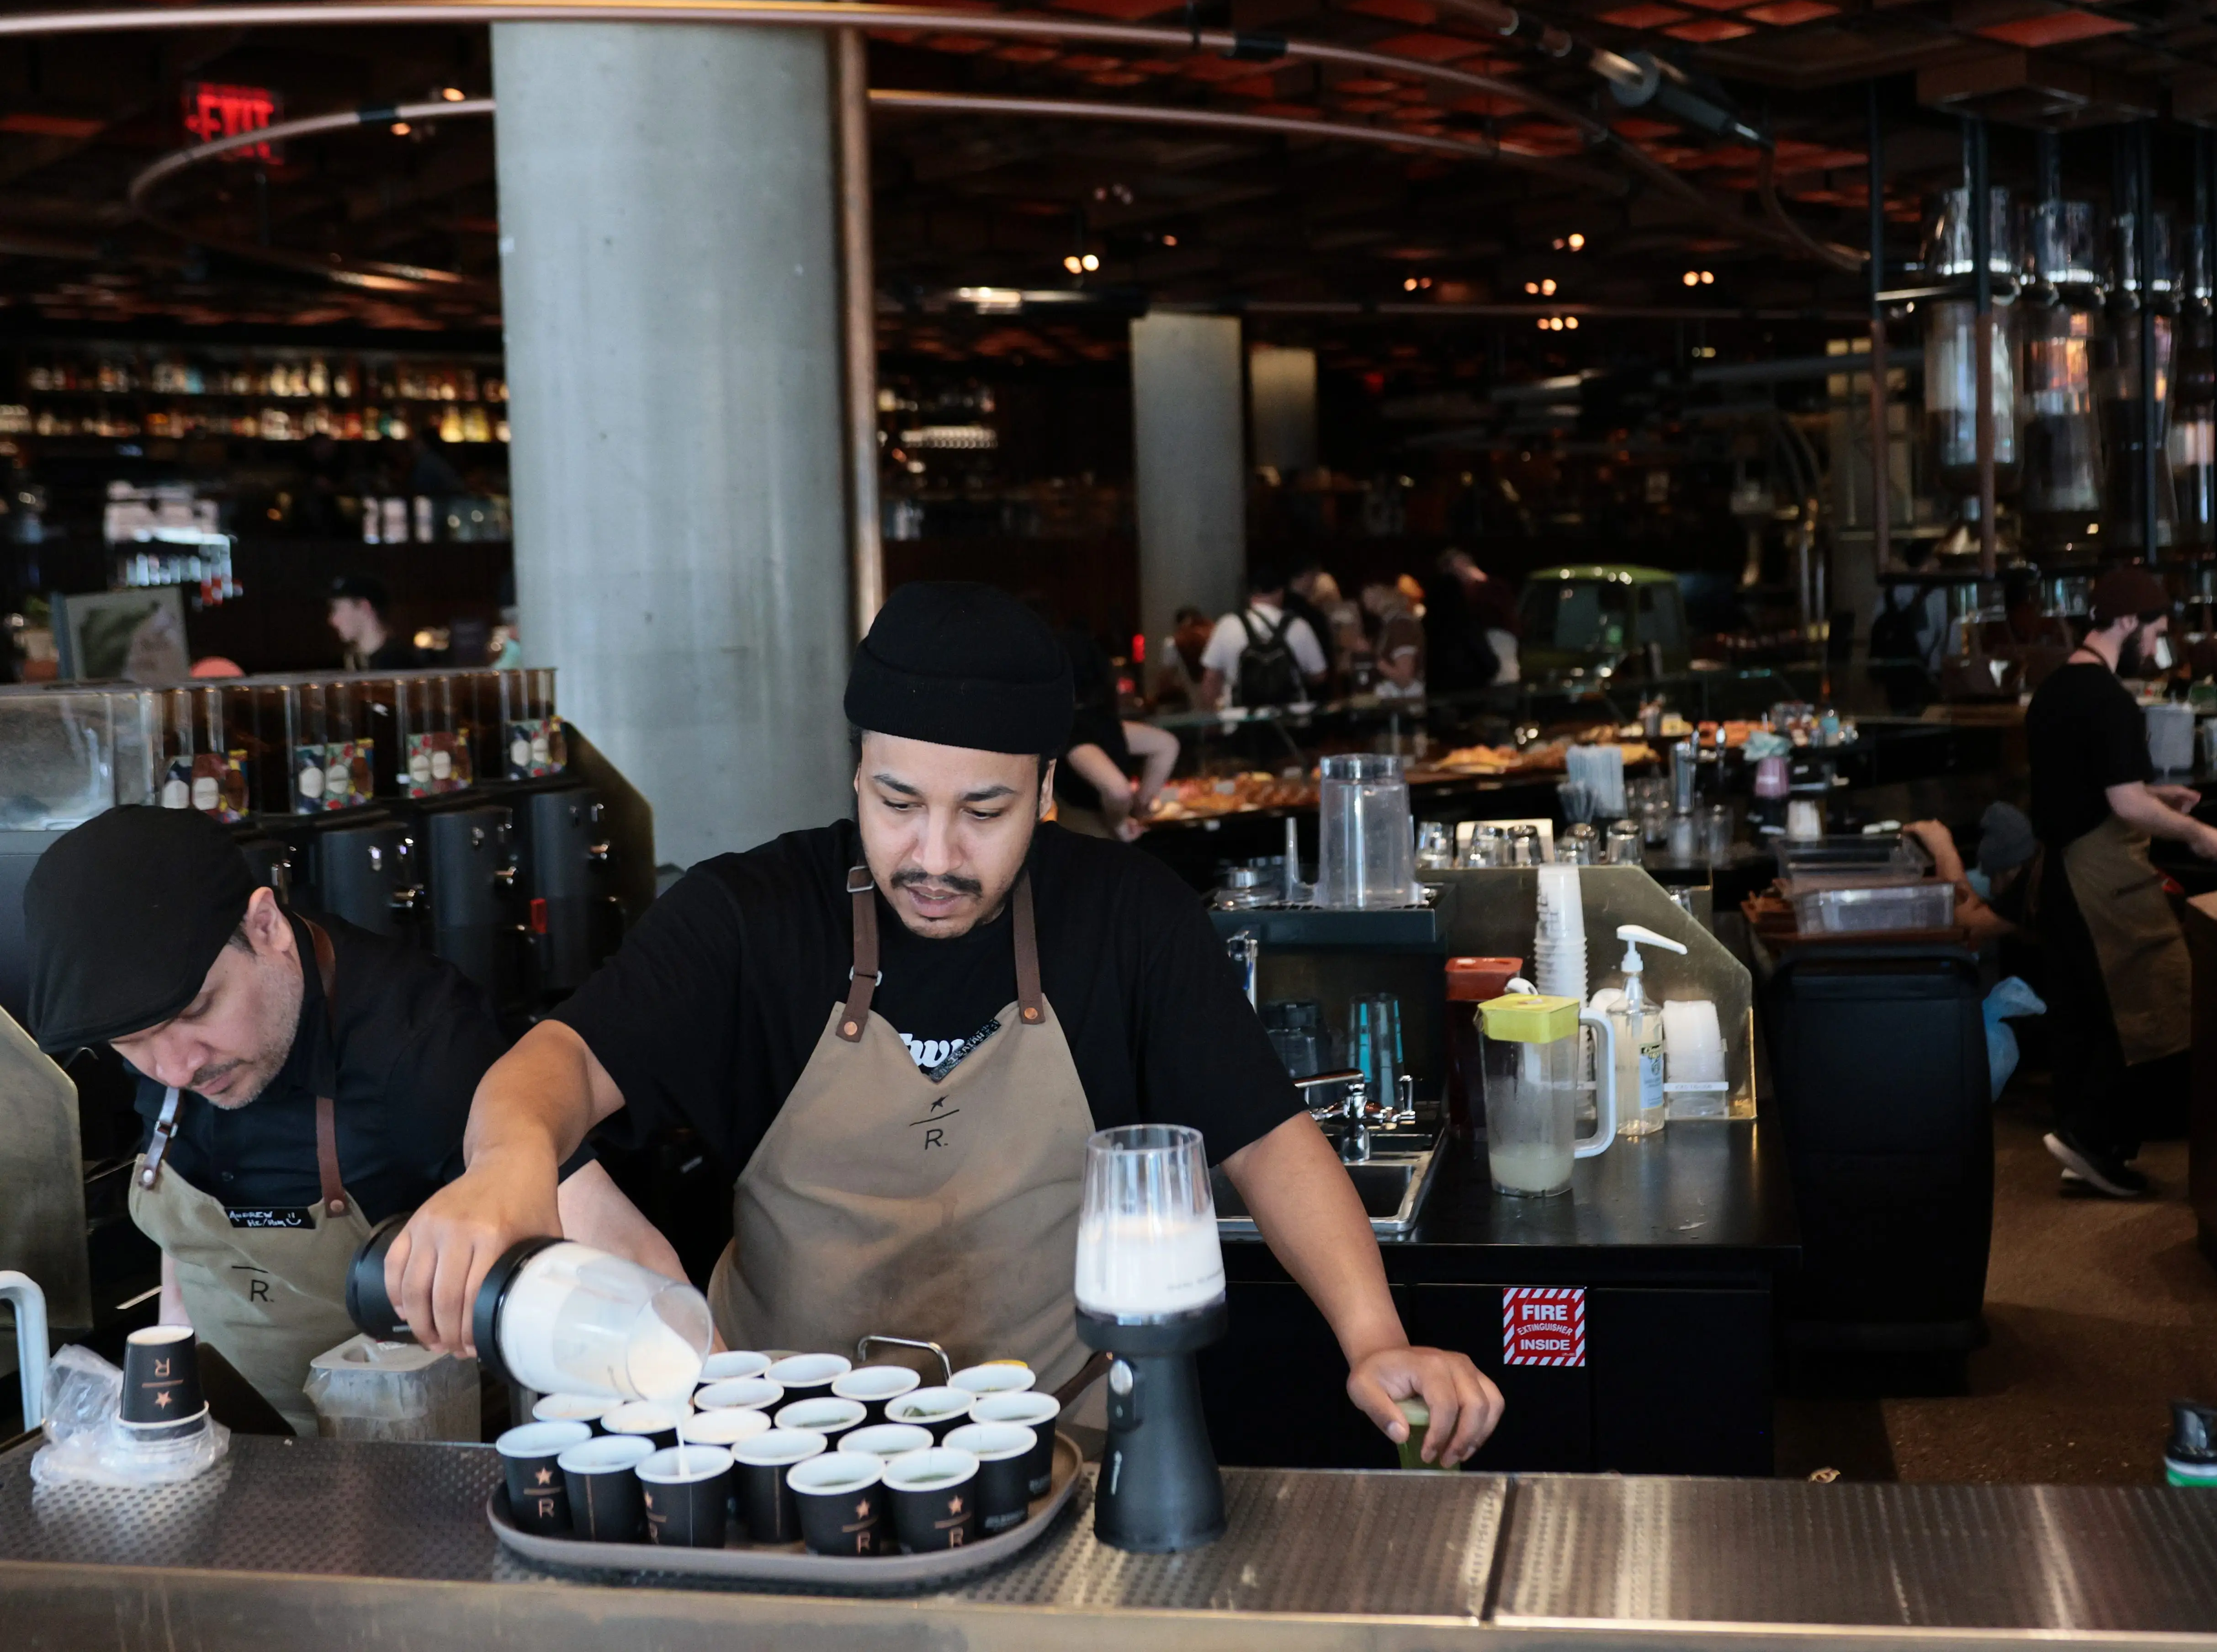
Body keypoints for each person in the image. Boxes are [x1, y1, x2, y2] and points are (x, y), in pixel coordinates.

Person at [383, 583, 1503, 1464]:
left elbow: (1262, 1135)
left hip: (1058, 1447)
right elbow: (561, 1062)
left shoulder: (1127, 918)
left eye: (983, 812)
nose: (933, 856)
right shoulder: (750, 916)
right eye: (897, 802)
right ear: (856, 773)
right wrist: (506, 1165)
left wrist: (1375, 1337)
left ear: (1046, 791)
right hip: (776, 1449)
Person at [21, 807, 681, 1435]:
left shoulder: (420, 1048)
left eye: (196, 1011)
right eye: (133, 1044)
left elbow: (629, 1264)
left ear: (266, 927)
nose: (174, 1068)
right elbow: (194, 1246)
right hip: (233, 1450)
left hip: (416, 1463)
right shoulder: (173, 1057)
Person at [2024, 568, 2217, 1199]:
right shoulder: (2110, 701)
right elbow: (2125, 807)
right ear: (2124, 622)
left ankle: (2092, 1148)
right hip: (2101, 885)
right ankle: (2090, 1139)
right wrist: (2194, 834)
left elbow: (2091, 789)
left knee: (2090, 1015)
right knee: (2158, 1003)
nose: (2157, 640)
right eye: (2154, 628)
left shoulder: (2055, 690)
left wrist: (2157, 794)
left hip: (2056, 877)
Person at [1053, 629, 1179, 842]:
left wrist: (1119, 822)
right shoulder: (1107, 723)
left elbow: (1118, 789)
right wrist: (1141, 805)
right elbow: (1167, 744)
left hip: (1083, 843)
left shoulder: (1071, 731)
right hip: (1115, 845)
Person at [1904, 804, 2037, 948]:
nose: (1992, 889)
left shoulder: (2031, 883)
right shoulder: (2034, 877)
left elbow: (1968, 926)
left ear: (2009, 870)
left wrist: (1942, 848)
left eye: (1992, 877)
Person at [1200, 567, 1326, 709]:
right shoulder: (1299, 626)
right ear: (1280, 592)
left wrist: (1212, 721)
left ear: (1250, 593)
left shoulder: (1228, 625)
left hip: (1241, 722)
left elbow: (1211, 679)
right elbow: (1319, 676)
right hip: (1291, 722)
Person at [1421, 571, 1500, 693]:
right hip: (1468, 697)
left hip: (1437, 695)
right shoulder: (1466, 622)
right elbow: (1487, 660)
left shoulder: (1427, 625)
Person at [326, 574, 423, 671]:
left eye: (337, 609)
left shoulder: (399, 665)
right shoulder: (353, 663)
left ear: (364, 607)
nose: (333, 621)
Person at [1150, 607, 1215, 712]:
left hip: (1194, 704)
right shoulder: (1215, 637)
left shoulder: (1173, 643)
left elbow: (1165, 681)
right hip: (1219, 704)